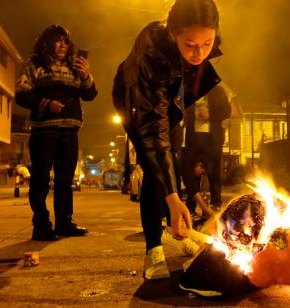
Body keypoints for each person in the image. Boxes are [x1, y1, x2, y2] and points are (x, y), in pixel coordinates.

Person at [112, 0, 222, 280]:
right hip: (136, 102)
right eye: (190, 44)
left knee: (170, 161)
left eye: (207, 44)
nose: (199, 53)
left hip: (170, 103)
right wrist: (173, 198)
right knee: (154, 167)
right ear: (172, 33)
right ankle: (153, 250)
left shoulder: (200, 45)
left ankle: (174, 229)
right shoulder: (152, 49)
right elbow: (152, 128)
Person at [15, 25, 97, 241]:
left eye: (66, 41)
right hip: (44, 131)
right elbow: (21, 95)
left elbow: (90, 95)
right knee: (40, 179)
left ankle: (64, 222)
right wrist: (45, 103)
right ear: (46, 43)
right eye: (57, 41)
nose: (62, 45)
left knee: (65, 180)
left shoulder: (75, 67)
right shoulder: (35, 66)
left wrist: (86, 75)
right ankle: (41, 224)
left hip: (70, 131)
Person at [182, 84, 231, 216]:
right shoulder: (189, 90)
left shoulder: (218, 90)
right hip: (194, 139)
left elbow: (227, 111)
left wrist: (210, 115)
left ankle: (216, 208)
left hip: (213, 140)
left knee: (214, 176)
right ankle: (191, 209)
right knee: (193, 175)